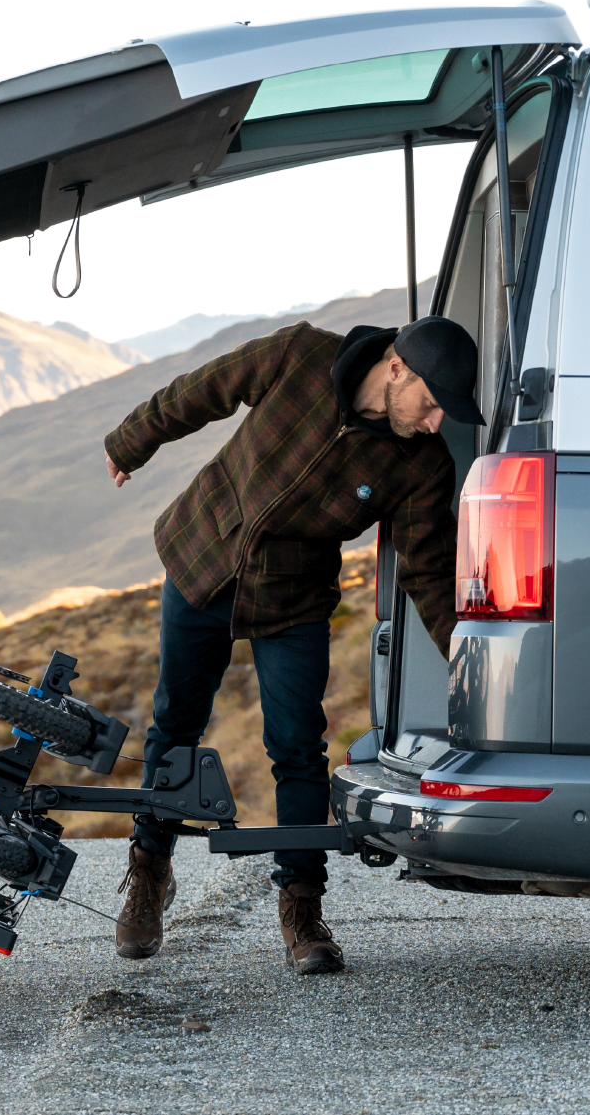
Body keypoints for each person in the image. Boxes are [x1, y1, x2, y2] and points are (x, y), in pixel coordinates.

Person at [102, 315, 483, 973]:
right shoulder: (297, 355)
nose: (432, 424)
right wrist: (131, 441)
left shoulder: (419, 464)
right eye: (430, 404)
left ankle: (301, 909)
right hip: (203, 558)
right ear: (395, 368)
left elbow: (426, 571)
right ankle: (148, 870)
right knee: (175, 725)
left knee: (297, 748)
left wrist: (469, 667)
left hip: (292, 597)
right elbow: (201, 390)